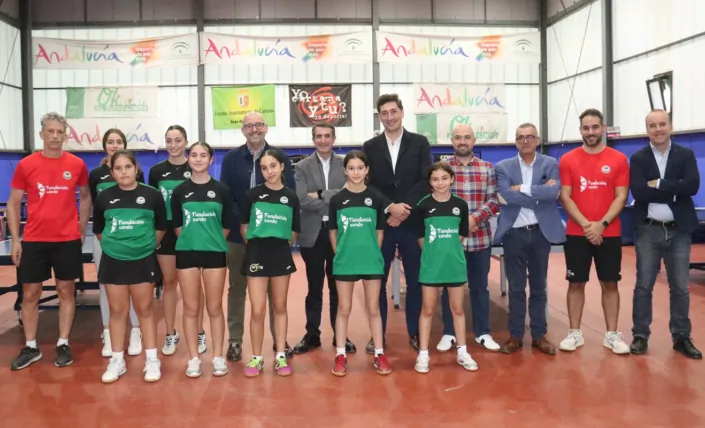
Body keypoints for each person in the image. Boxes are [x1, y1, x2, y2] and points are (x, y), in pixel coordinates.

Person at [8, 112, 91, 371]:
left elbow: (85, 196)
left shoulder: (76, 164)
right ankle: (31, 346)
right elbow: (13, 203)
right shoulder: (26, 165)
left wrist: (81, 228)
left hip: (67, 240)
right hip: (34, 240)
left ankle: (63, 343)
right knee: (30, 294)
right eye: (50, 131)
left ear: (65, 136)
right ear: (41, 134)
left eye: (59, 132)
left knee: (66, 292)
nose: (55, 136)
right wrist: (16, 240)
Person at [220, 112, 296, 361]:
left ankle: (279, 342)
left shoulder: (280, 156)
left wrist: (277, 232)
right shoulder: (231, 159)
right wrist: (247, 227)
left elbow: (290, 195)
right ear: (243, 130)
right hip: (239, 236)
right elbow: (227, 196)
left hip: (273, 238)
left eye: (259, 125)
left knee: (275, 293)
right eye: (249, 126)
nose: (254, 129)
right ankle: (235, 341)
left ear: (266, 128)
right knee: (237, 288)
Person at [629, 109, 701, 359]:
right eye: (653, 125)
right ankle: (640, 334)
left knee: (680, 287)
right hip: (648, 230)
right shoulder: (638, 158)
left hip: (679, 231)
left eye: (662, 124)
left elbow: (692, 186)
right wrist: (675, 190)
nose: (658, 129)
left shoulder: (686, 154)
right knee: (643, 285)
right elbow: (639, 192)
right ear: (647, 130)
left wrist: (659, 184)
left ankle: (681, 337)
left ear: (670, 126)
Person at [362, 94, 431, 353]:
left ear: (402, 112)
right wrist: (390, 207)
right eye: (384, 113)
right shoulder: (370, 146)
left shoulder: (420, 142)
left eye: (393, 111)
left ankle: (415, 332)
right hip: (383, 224)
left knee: (415, 281)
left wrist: (403, 209)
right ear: (379, 117)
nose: (389, 117)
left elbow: (425, 180)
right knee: (377, 282)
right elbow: (369, 184)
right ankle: (377, 335)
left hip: (412, 223)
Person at [558, 108, 630, 354]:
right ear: (581, 130)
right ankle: (574, 333)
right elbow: (565, 197)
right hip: (577, 233)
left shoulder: (619, 159)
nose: (591, 132)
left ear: (603, 128)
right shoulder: (568, 160)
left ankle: (611, 335)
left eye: (595, 127)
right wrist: (588, 226)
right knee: (575, 283)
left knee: (610, 283)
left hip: (609, 232)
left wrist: (602, 225)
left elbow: (621, 196)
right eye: (586, 128)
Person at [93, 150, 166, 383]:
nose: (123, 172)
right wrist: (116, 247)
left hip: (143, 260)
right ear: (112, 172)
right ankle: (117, 361)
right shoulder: (104, 197)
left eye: (128, 167)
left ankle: (152, 360)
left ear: (136, 168)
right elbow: (99, 231)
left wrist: (144, 246)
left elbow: (161, 227)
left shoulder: (152, 195)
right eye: (118, 168)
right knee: (117, 311)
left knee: (145, 309)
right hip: (113, 261)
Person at [493, 123, 565, 355]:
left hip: (540, 233)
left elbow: (553, 193)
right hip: (514, 234)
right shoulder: (503, 167)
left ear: (537, 140)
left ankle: (538, 335)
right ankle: (515, 336)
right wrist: (537, 195)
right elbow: (505, 195)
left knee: (539, 288)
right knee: (515, 288)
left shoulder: (550, 164)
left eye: (530, 137)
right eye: (521, 137)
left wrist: (522, 188)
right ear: (516, 141)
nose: (525, 141)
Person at [172, 142, 234, 377]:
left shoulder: (222, 190)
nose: (198, 159)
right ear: (188, 159)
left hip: (214, 253)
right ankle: (193, 359)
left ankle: (218, 357)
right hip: (187, 252)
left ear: (211, 159)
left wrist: (210, 240)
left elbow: (226, 226)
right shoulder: (180, 191)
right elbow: (178, 226)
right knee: (190, 308)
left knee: (214, 307)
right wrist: (193, 239)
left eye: (203, 155)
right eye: (194, 155)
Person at [437, 124, 501, 352]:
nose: (462, 141)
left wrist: (474, 219)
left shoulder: (487, 168)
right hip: (451, 240)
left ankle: (483, 333)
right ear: (452, 141)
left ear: (474, 140)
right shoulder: (443, 169)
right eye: (458, 137)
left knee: (480, 288)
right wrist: (456, 225)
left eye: (466, 137)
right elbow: (437, 199)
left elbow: (494, 201)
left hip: (480, 239)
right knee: (449, 287)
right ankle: (449, 333)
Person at [293, 124, 355, 354]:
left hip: (341, 232)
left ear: (334, 138)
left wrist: (319, 194)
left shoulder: (345, 163)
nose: (323, 140)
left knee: (338, 287)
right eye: (318, 136)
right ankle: (312, 334)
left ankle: (340, 335)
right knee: (314, 287)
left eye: (327, 136)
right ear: (313, 139)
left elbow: (350, 194)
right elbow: (301, 199)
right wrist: (335, 198)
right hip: (313, 233)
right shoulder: (301, 167)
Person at [329, 151, 390, 376]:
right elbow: (333, 232)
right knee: (344, 308)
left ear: (366, 170)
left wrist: (373, 252)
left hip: (371, 260)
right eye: (351, 168)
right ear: (345, 170)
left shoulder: (376, 198)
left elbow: (380, 231)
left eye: (360, 168)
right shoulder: (337, 200)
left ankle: (379, 353)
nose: (356, 172)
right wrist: (340, 253)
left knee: (373, 308)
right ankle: (340, 354)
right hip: (345, 261)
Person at [240, 149, 300, 377]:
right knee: (257, 310)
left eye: (273, 166)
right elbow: (244, 227)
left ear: (282, 167)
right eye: (264, 168)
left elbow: (294, 231)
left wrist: (279, 246)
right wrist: (258, 245)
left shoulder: (291, 197)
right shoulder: (252, 195)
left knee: (280, 306)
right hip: (256, 255)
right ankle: (256, 358)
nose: (269, 171)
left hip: (281, 255)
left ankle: (280, 355)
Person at [414, 162, 478, 373]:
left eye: (444, 178)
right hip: (431, 266)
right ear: (430, 182)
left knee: (458, 309)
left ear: (452, 179)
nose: (440, 183)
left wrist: (448, 250)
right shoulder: (423, 205)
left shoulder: (461, 205)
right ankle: (423, 354)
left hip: (454, 265)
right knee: (427, 309)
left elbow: (460, 236)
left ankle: (462, 352)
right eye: (435, 179)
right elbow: (421, 238)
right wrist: (434, 253)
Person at [149, 125, 207, 356]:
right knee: (169, 283)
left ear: (186, 142)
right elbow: (152, 204)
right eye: (169, 140)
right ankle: (170, 333)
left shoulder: (195, 165)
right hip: (166, 234)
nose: (173, 145)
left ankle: (199, 331)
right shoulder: (156, 171)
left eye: (178, 140)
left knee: (195, 285)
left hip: (192, 233)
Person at [88, 128, 144, 358]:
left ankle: (136, 331)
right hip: (105, 239)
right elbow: (95, 205)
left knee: (134, 286)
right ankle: (108, 334)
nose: (114, 145)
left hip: (132, 238)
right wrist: (105, 239)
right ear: (104, 146)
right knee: (106, 286)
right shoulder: (96, 174)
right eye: (110, 142)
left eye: (119, 141)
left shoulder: (136, 172)